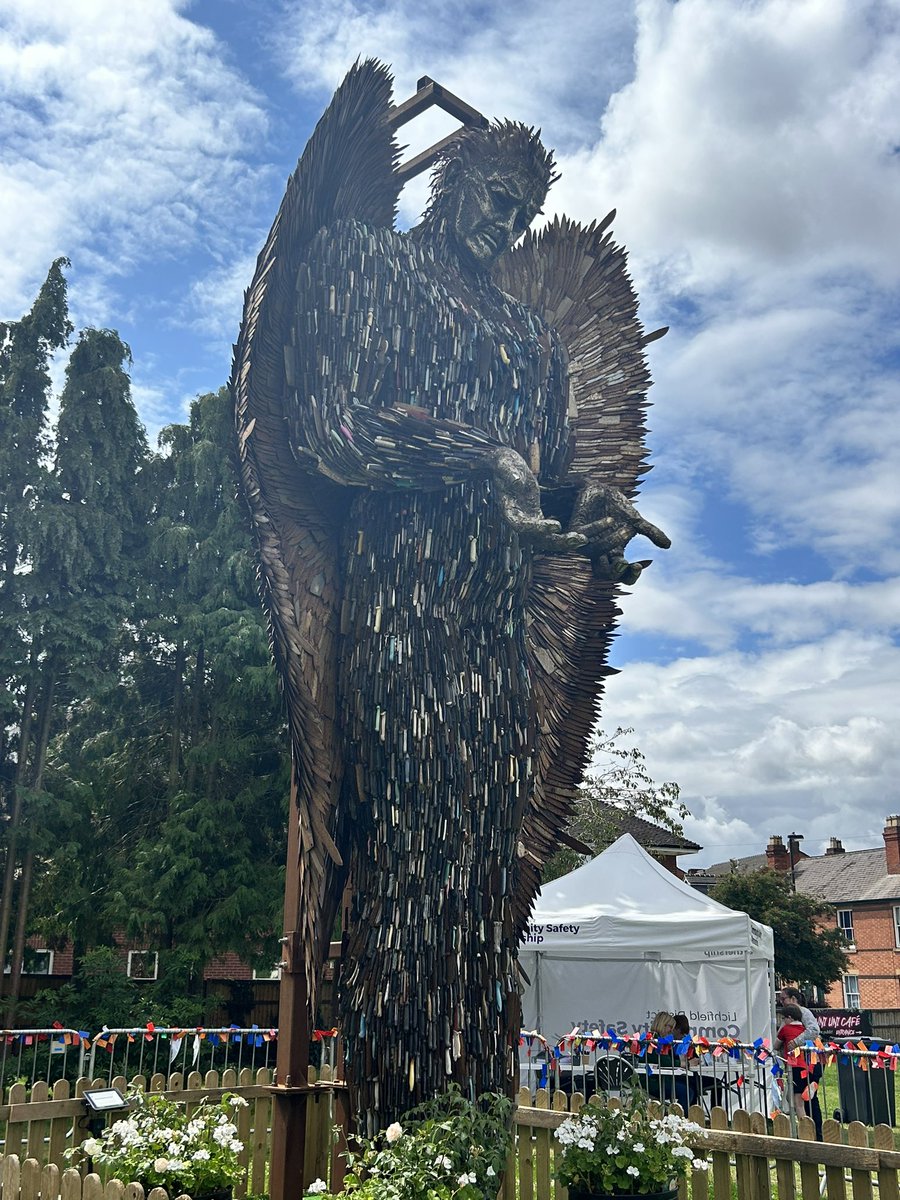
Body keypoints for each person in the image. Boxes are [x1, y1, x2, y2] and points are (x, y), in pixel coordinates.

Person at [233, 60, 669, 1128]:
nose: (502, 226)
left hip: (493, 626)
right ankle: (391, 1123)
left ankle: (464, 1120)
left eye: (520, 215)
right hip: (401, 615)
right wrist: (477, 458)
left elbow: (555, 469)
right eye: (489, 201)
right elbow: (335, 432)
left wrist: (594, 504)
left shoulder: (528, 341)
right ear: (449, 183)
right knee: (407, 856)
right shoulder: (363, 268)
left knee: (476, 870)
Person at [776, 1002, 823, 1139]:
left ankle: (805, 1131)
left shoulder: (786, 1029)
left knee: (798, 1102)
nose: (783, 1021)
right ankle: (810, 1086)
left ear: (789, 1017)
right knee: (805, 1098)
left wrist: (785, 1040)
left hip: (795, 1067)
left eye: (784, 1018)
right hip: (809, 1065)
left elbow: (775, 1044)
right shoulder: (804, 1028)